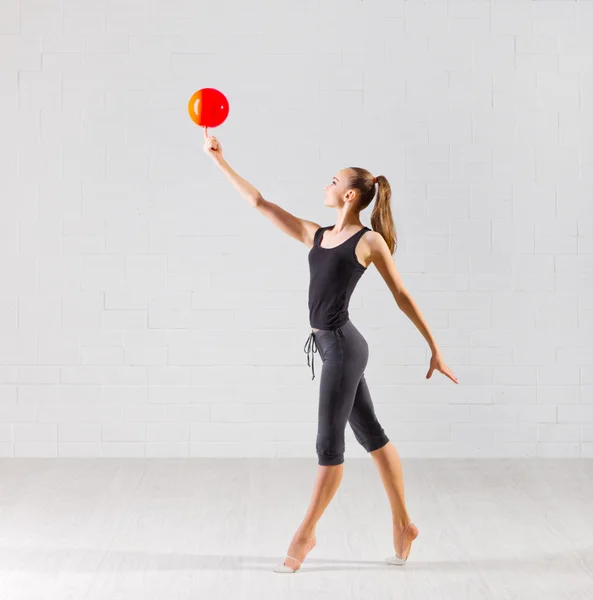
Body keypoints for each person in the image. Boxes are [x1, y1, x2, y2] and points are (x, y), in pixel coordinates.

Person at [203, 129, 459, 573]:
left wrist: (434, 347)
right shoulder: (316, 235)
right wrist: (220, 161)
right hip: (331, 347)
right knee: (374, 437)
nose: (327, 184)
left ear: (351, 195)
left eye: (334, 181)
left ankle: (306, 533)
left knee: (329, 444)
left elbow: (401, 295)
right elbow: (260, 203)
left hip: (343, 348)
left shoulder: (368, 242)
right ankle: (404, 524)